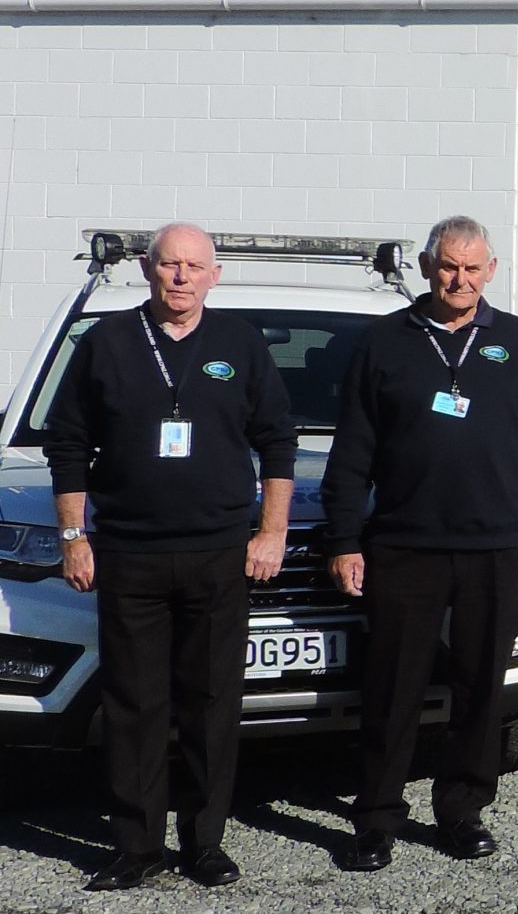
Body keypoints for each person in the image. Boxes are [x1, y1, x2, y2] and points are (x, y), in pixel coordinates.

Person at [45, 222, 293, 891]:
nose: (181, 276)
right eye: (169, 264)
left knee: (212, 702)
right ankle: (136, 845)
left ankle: (205, 842)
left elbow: (277, 442)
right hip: (129, 554)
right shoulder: (107, 344)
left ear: (215, 275)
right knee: (134, 704)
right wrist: (75, 536)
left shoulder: (240, 345)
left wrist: (272, 530)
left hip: (219, 554)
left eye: (194, 265)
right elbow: (66, 446)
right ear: (149, 270)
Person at [322, 216, 518, 872]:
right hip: (406, 545)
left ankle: (462, 811)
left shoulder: (514, 340)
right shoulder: (386, 342)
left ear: (490, 270)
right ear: (429, 268)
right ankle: (376, 816)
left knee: (480, 685)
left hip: (495, 546)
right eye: (446, 267)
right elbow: (352, 452)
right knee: (393, 687)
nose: (458, 279)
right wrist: (345, 538)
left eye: (471, 268)